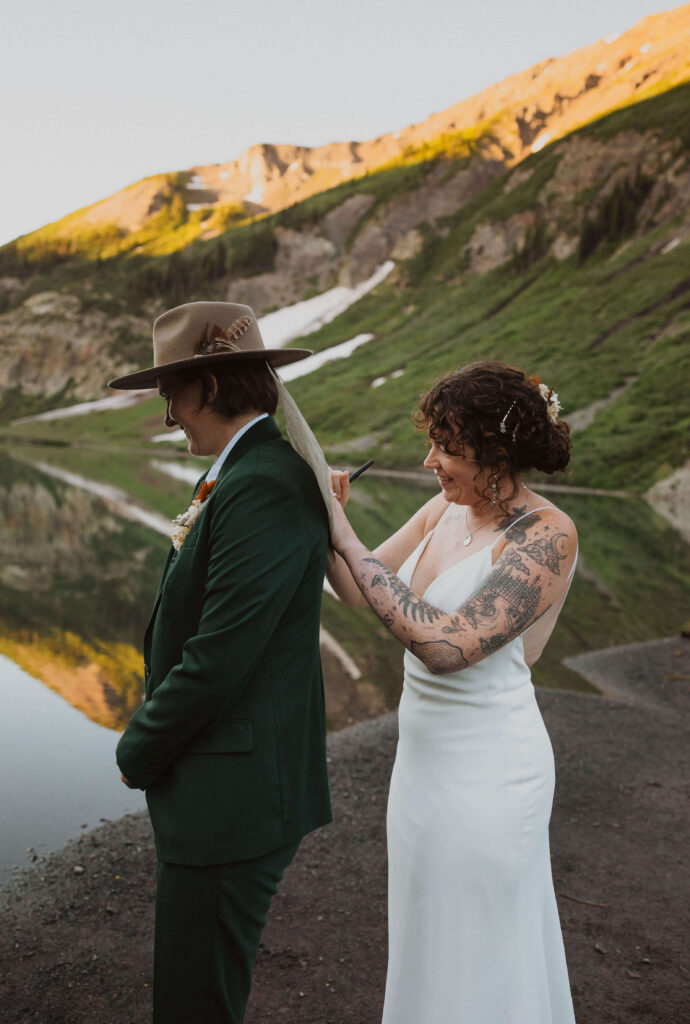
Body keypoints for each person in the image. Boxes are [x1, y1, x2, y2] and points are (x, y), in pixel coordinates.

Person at [328, 361, 578, 1024]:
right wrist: (323, 516)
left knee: (481, 952)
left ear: (499, 455)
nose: (430, 460)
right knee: (428, 943)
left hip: (491, 773)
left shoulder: (546, 535)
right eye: (434, 442)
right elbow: (354, 586)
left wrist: (348, 541)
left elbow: (448, 646)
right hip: (423, 771)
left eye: (450, 448)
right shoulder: (443, 507)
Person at [109, 301, 332, 1024]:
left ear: (207, 387)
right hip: (228, 783)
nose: (168, 411)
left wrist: (138, 747)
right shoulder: (249, 469)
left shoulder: (262, 483)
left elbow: (219, 656)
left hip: (231, 796)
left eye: (171, 390)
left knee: (194, 1004)